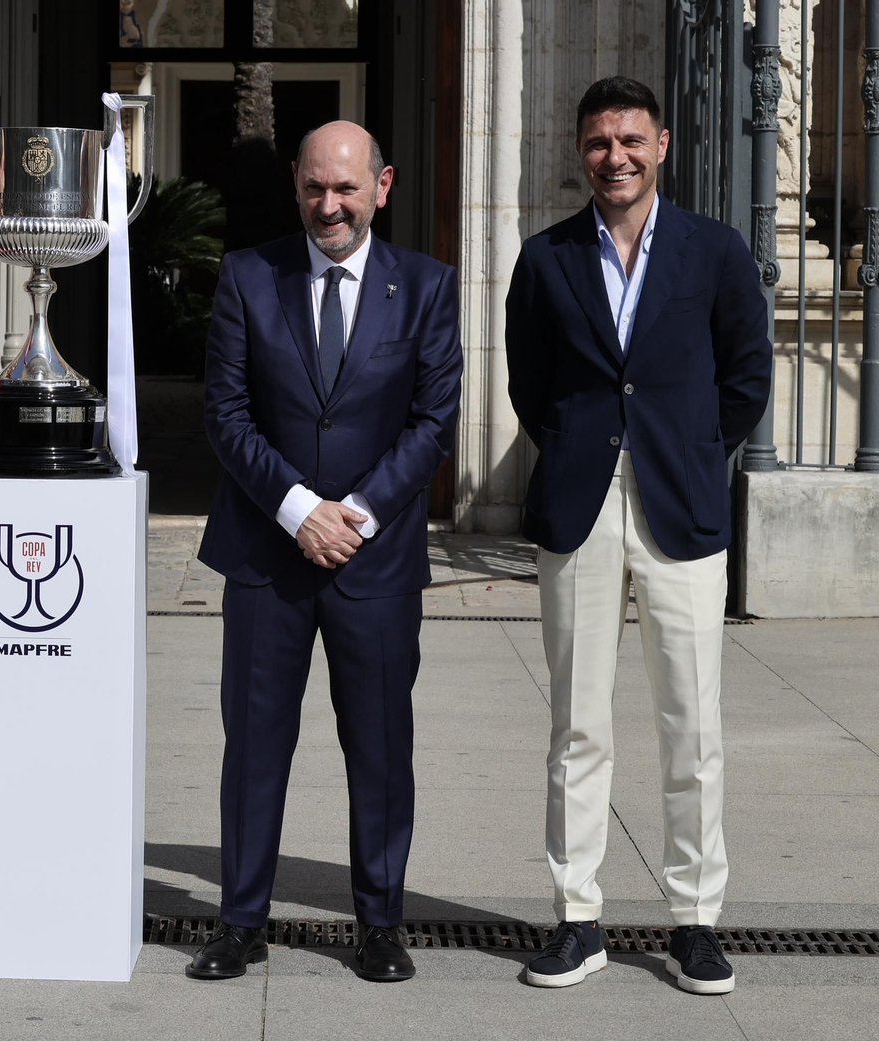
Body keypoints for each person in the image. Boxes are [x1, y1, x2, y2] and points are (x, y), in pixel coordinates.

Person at [506, 76, 772, 995]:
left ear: (661, 144)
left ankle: (695, 920)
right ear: (579, 151)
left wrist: (691, 451)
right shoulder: (545, 258)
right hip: (580, 505)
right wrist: (579, 449)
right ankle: (576, 917)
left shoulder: (716, 251)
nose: (613, 157)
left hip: (680, 506)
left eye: (629, 140)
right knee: (577, 724)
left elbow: (746, 376)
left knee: (691, 725)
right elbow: (529, 384)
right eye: (597, 142)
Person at [190, 121, 462, 982]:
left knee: (379, 748)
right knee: (254, 746)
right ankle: (241, 921)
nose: (329, 204)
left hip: (375, 564)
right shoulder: (248, 276)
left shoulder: (426, 285)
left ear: (382, 185)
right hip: (266, 556)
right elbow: (225, 413)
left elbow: (433, 421)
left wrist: (359, 514)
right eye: (315, 187)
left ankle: (379, 924)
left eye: (346, 187)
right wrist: (300, 509)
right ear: (296, 187)